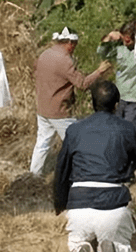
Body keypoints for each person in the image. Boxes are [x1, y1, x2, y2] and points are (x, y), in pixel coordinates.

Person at [54, 81, 136, 252]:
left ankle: (81, 247)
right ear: (116, 105)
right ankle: (113, 246)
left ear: (93, 104)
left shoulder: (74, 130)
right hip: (113, 205)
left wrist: (60, 204)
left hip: (79, 204)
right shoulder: (126, 129)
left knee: (76, 242)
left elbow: (61, 170)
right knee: (120, 244)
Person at [30, 27, 112, 176]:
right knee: (78, 142)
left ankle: (33, 175)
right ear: (70, 43)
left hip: (43, 108)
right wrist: (99, 71)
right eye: (75, 44)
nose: (75, 48)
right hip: (60, 112)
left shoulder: (44, 54)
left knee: (42, 144)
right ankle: (88, 172)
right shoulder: (64, 61)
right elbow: (82, 84)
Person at [98, 21, 136, 133]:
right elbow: (102, 52)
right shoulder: (120, 49)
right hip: (121, 96)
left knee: (129, 130)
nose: (125, 42)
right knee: (117, 128)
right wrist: (109, 37)